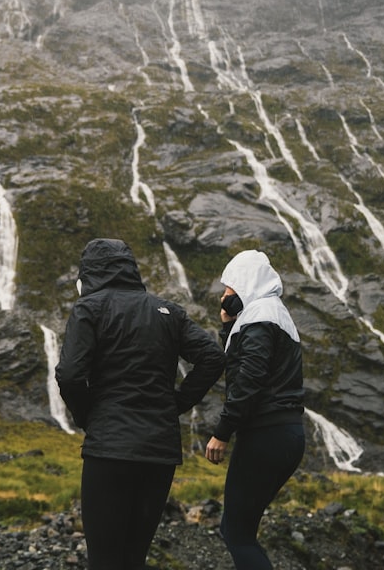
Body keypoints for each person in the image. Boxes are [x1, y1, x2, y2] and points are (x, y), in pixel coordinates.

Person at [55, 238, 225, 570]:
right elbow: (213, 356)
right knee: (134, 558)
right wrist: (175, 404)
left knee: (104, 559)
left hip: (110, 448)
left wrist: (88, 416)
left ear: (89, 272)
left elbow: (71, 374)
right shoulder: (168, 311)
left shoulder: (90, 307)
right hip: (159, 451)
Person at [205, 249, 305, 570]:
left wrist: (222, 432)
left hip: (265, 434)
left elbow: (249, 378)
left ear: (246, 285)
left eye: (229, 289)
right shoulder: (273, 314)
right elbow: (246, 361)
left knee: (236, 532)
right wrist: (228, 326)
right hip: (286, 433)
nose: (223, 297)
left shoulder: (261, 317)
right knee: (242, 530)